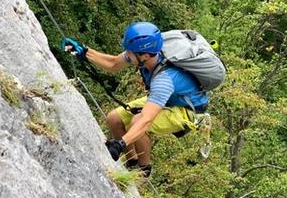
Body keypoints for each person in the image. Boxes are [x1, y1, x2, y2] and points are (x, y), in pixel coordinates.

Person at [62, 22, 209, 177]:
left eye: (130, 51)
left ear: (144, 55)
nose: (126, 54)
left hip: (185, 109)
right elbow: (113, 64)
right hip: (169, 98)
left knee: (137, 121)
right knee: (114, 119)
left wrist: (120, 143)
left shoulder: (164, 80)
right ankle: (131, 162)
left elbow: (146, 120)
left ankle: (143, 172)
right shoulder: (144, 55)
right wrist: (84, 51)